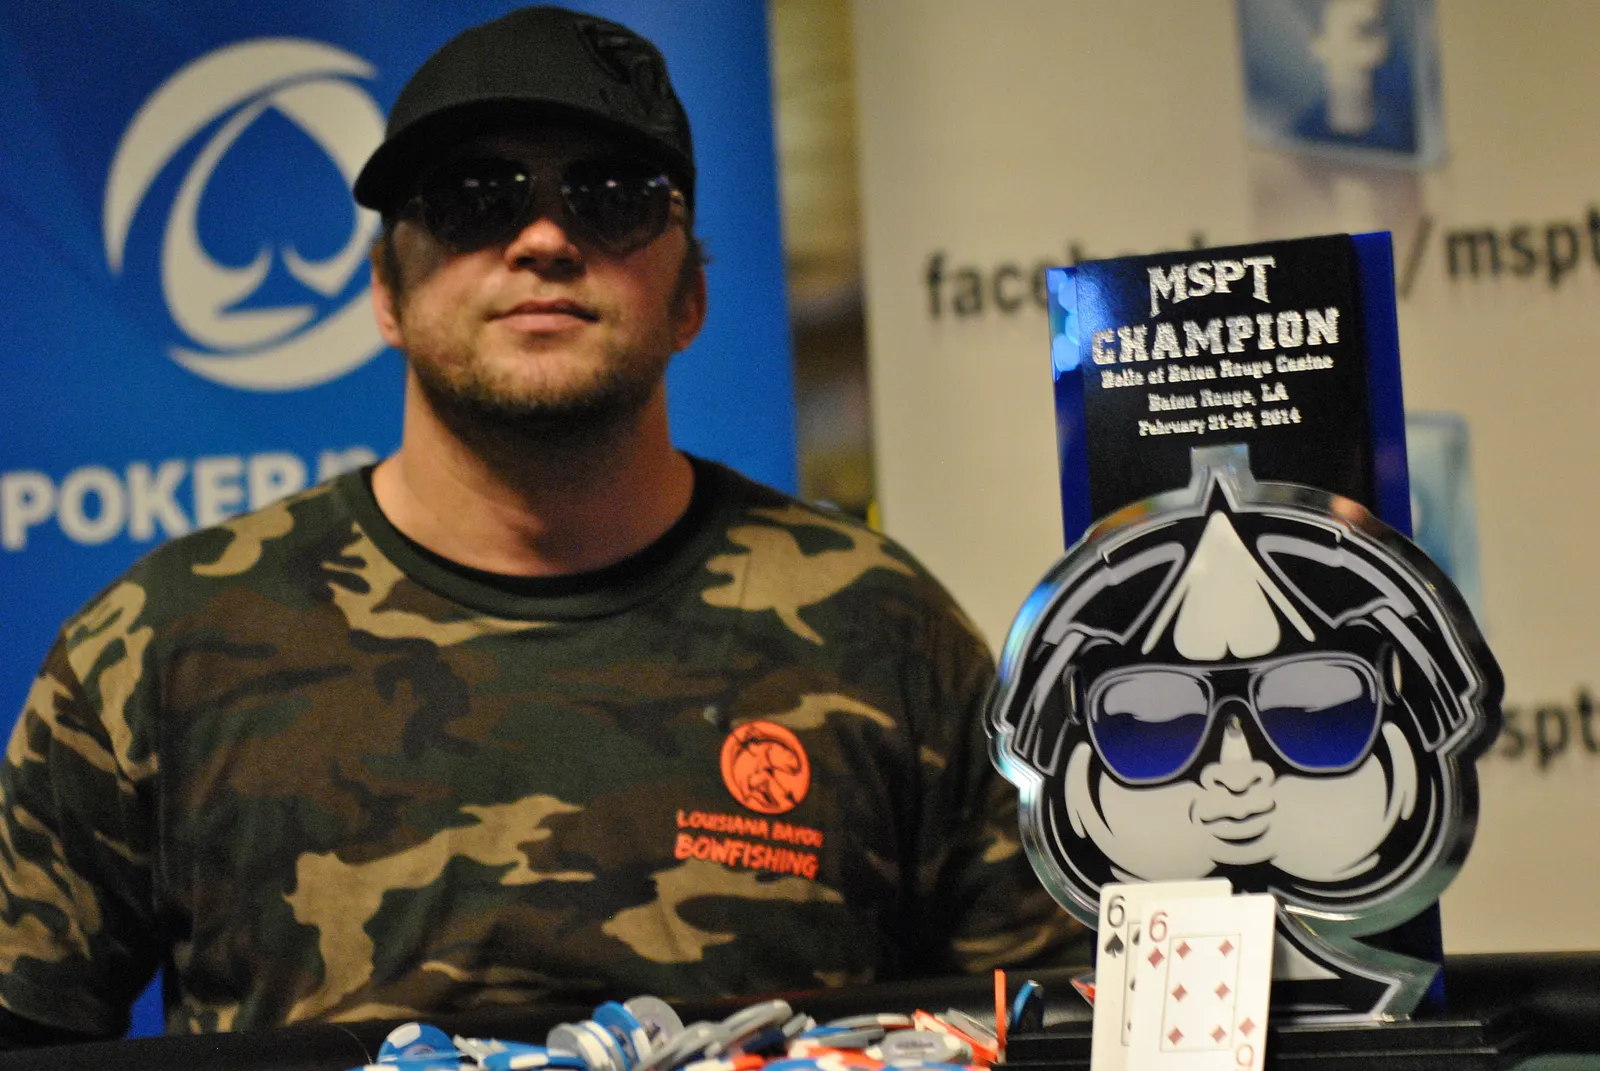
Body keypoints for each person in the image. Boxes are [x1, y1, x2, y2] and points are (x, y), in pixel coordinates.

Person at [0, 4, 1082, 1044]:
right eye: (473, 197)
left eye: (613, 196)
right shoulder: (164, 646)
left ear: (692, 298)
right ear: (385, 293)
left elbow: (1055, 1028)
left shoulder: (881, 629)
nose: (546, 237)